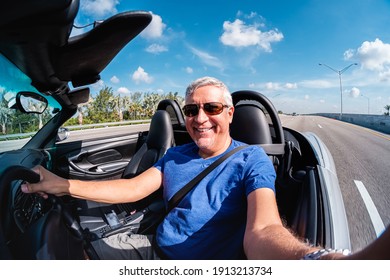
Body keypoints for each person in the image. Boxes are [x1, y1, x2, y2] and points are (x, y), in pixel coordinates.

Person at [21, 76, 389, 260]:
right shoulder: (176, 155)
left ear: (229, 113)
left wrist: (317, 260)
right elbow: (130, 189)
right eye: (192, 110)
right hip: (150, 247)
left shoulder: (251, 160)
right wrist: (61, 185)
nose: (201, 118)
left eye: (212, 108)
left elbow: (262, 230)